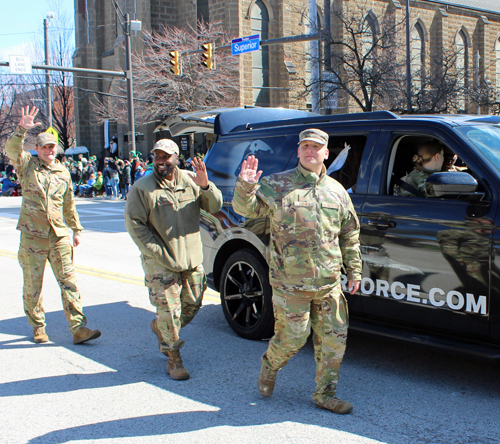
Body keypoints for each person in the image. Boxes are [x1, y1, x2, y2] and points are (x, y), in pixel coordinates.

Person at [232, 128, 362, 415]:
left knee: (334, 342)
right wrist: (245, 185)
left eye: (316, 147)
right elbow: (246, 209)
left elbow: (350, 233)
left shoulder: (337, 191)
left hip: (329, 283)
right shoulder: (277, 184)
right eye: (305, 146)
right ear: (300, 150)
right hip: (290, 284)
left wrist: (354, 271)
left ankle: (325, 394)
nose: (310, 151)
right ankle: (270, 365)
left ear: (326, 153)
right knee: (292, 337)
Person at [124, 139, 222, 380]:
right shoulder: (143, 188)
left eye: (166, 156)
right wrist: (155, 251)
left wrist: (206, 185)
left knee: (193, 304)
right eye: (157, 155)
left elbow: (215, 206)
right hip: (160, 262)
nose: (160, 160)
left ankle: (161, 328)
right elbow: (134, 223)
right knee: (168, 310)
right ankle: (173, 359)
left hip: (190, 259)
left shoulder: (191, 180)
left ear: (176, 158)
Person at [4, 106, 101, 345]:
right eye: (45, 147)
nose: (49, 150)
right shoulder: (27, 165)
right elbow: (11, 150)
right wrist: (21, 130)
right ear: (37, 149)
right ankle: (38, 327)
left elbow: (68, 203)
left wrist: (76, 229)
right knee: (33, 284)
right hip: (32, 237)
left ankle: (78, 328)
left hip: (58, 236)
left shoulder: (63, 171)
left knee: (69, 282)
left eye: (52, 146)